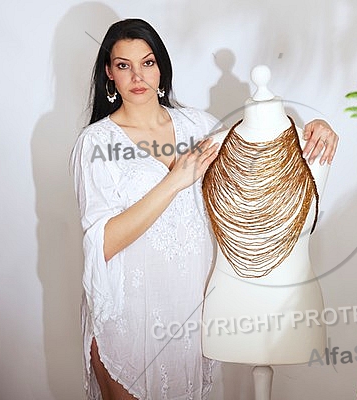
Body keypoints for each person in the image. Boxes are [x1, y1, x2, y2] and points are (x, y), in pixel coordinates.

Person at [70, 18, 339, 400]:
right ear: (109, 74)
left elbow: (258, 146)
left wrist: (314, 124)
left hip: (190, 320)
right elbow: (103, 243)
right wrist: (175, 180)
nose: (137, 75)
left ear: (161, 67)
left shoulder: (200, 127)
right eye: (124, 65)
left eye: (147, 62)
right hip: (126, 321)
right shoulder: (95, 143)